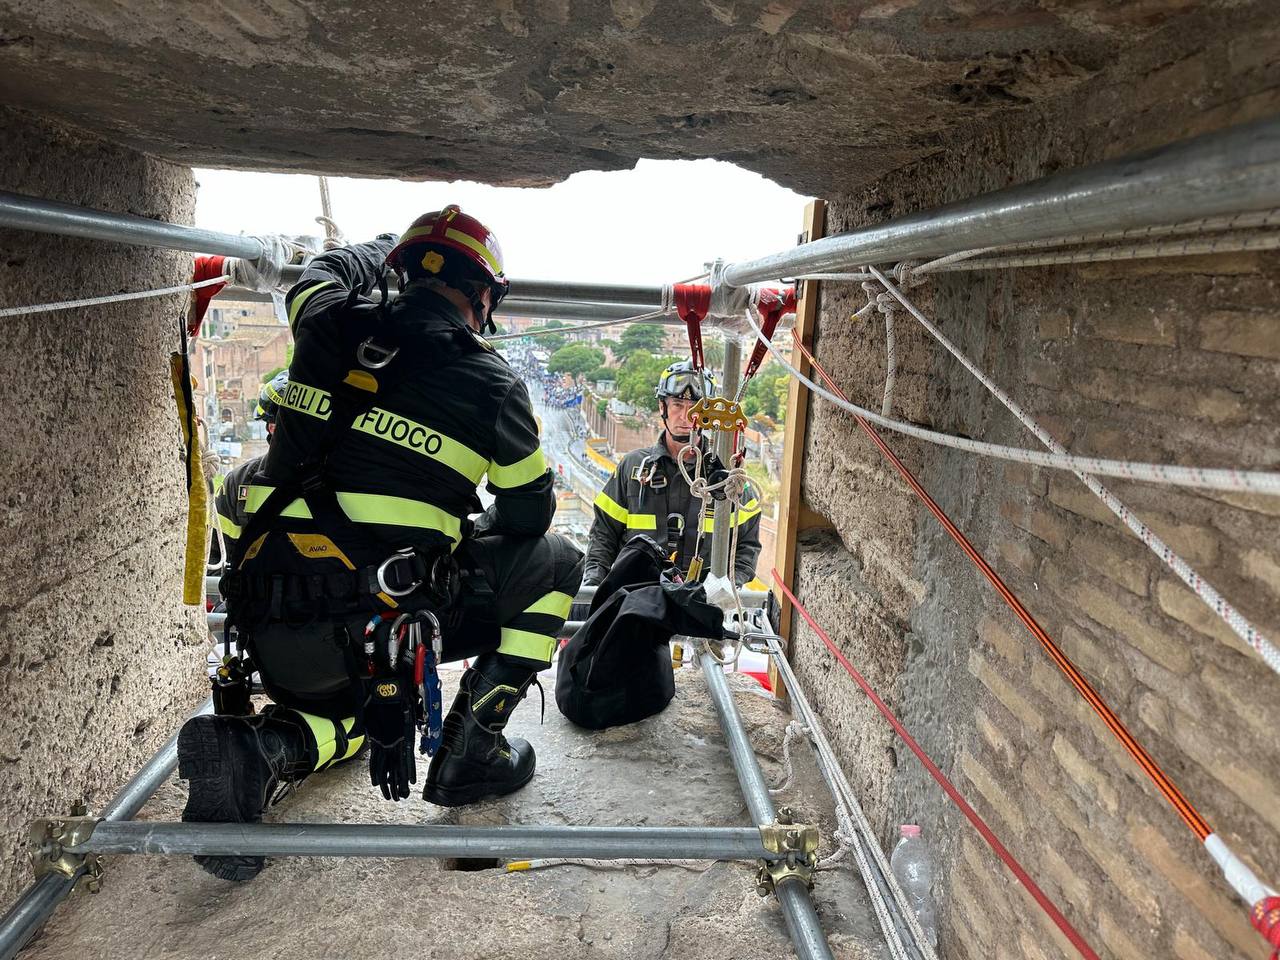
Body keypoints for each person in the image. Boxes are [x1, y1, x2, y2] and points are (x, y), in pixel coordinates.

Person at [179, 206, 583, 881]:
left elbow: (321, 272)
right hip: (381, 633)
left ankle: (267, 749)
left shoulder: (326, 320)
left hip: (272, 633)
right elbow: (528, 518)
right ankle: (471, 749)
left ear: (398, 273)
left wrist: (381, 247)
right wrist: (445, 526)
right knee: (560, 563)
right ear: (485, 296)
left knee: (360, 719)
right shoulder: (493, 384)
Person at [582, 360, 762, 590]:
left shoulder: (726, 478)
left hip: (699, 605)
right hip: (636, 601)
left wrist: (725, 590)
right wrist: (593, 586)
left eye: (695, 407)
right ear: (662, 407)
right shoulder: (633, 469)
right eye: (677, 404)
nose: (686, 416)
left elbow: (747, 545)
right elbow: (603, 535)